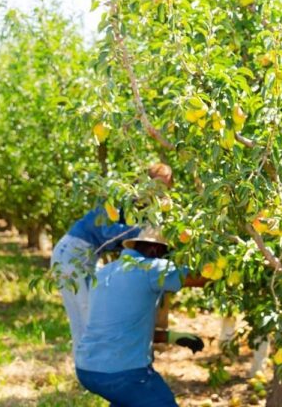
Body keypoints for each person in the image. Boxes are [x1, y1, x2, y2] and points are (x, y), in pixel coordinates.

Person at [51, 162, 190, 358]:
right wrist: (145, 232)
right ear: (144, 183)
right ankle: (87, 368)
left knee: (97, 313)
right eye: (157, 186)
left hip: (90, 255)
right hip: (74, 254)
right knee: (85, 316)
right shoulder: (119, 197)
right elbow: (109, 232)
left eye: (165, 189)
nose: (160, 193)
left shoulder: (145, 208)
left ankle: (96, 364)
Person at [74, 227, 209, 407]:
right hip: (122, 372)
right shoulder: (151, 269)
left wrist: (174, 337)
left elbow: (121, 327)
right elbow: (204, 277)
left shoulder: (105, 272)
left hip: (86, 368)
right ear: (155, 250)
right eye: (167, 254)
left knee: (127, 399)